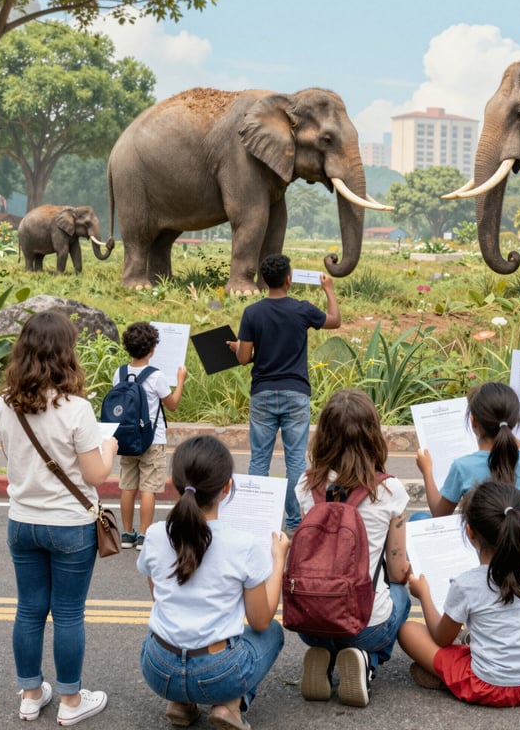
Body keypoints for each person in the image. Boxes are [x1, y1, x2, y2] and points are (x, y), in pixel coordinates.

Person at [0, 311, 117, 725]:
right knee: (67, 613)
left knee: (29, 609)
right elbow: (96, 475)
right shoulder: (76, 408)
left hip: (22, 520)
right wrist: (110, 446)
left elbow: (13, 460)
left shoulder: (4, 404)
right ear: (66, 353)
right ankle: (69, 702)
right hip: (69, 524)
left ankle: (30, 694)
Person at [137, 435, 289, 729]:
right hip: (218, 675)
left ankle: (181, 702)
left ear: (175, 482)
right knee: (272, 632)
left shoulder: (155, 535)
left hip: (158, 670)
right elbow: (259, 621)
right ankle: (231, 705)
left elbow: (159, 597)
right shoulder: (243, 544)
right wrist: (278, 559)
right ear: (227, 486)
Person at [295, 388, 410, 708]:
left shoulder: (306, 487)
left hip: (311, 623)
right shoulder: (388, 490)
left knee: (329, 630)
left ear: (324, 436)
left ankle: (325, 653)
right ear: (373, 436)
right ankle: (366, 660)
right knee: (400, 595)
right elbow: (399, 572)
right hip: (364, 626)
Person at [398, 482, 520, 706]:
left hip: (492, 687)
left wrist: (423, 594)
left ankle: (448, 678)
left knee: (408, 630)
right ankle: (462, 661)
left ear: (469, 531)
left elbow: (441, 638)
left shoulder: (467, 583)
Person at [228, 254, 341, 532]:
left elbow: (244, 358)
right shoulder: (301, 310)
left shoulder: (252, 313)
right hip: (296, 393)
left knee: (259, 460)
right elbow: (335, 321)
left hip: (263, 393)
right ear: (289, 279)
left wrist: (237, 347)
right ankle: (293, 522)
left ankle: (256, 522)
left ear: (264, 281)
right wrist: (328, 289)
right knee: (294, 461)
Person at [415, 382, 520, 555]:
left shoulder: (463, 467)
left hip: (484, 553)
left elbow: (439, 513)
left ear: (473, 421)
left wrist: (427, 470)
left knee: (418, 519)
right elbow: (512, 444)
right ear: (516, 420)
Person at [115, 322, 187, 550]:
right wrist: (181, 380)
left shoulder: (120, 372)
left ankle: (126, 533)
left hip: (127, 439)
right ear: (152, 349)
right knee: (148, 489)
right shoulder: (156, 376)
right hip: (152, 440)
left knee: (128, 486)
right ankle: (143, 535)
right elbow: (173, 405)